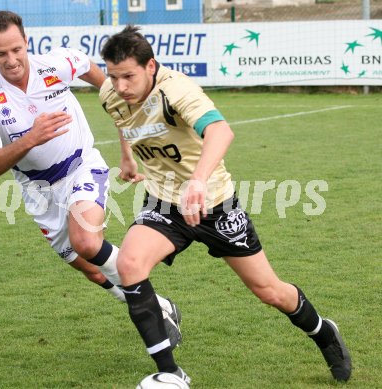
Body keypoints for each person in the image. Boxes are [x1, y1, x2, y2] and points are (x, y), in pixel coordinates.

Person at [99, 25, 352, 386]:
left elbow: (220, 130)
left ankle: (323, 331)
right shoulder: (111, 93)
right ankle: (170, 374)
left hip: (215, 204)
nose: (121, 86)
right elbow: (123, 121)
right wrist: (127, 157)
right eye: (113, 76)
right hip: (164, 202)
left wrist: (198, 181)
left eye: (128, 76)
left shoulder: (177, 90)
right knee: (129, 263)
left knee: (269, 291)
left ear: (150, 66)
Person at [0, 11, 182, 342]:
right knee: (91, 270)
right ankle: (163, 306)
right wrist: (31, 139)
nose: (11, 60)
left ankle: (151, 308)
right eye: (0, 54)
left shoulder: (59, 64)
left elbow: (116, 94)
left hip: (81, 165)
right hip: (36, 189)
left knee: (86, 242)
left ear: (26, 42)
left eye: (16, 50)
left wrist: (127, 150)